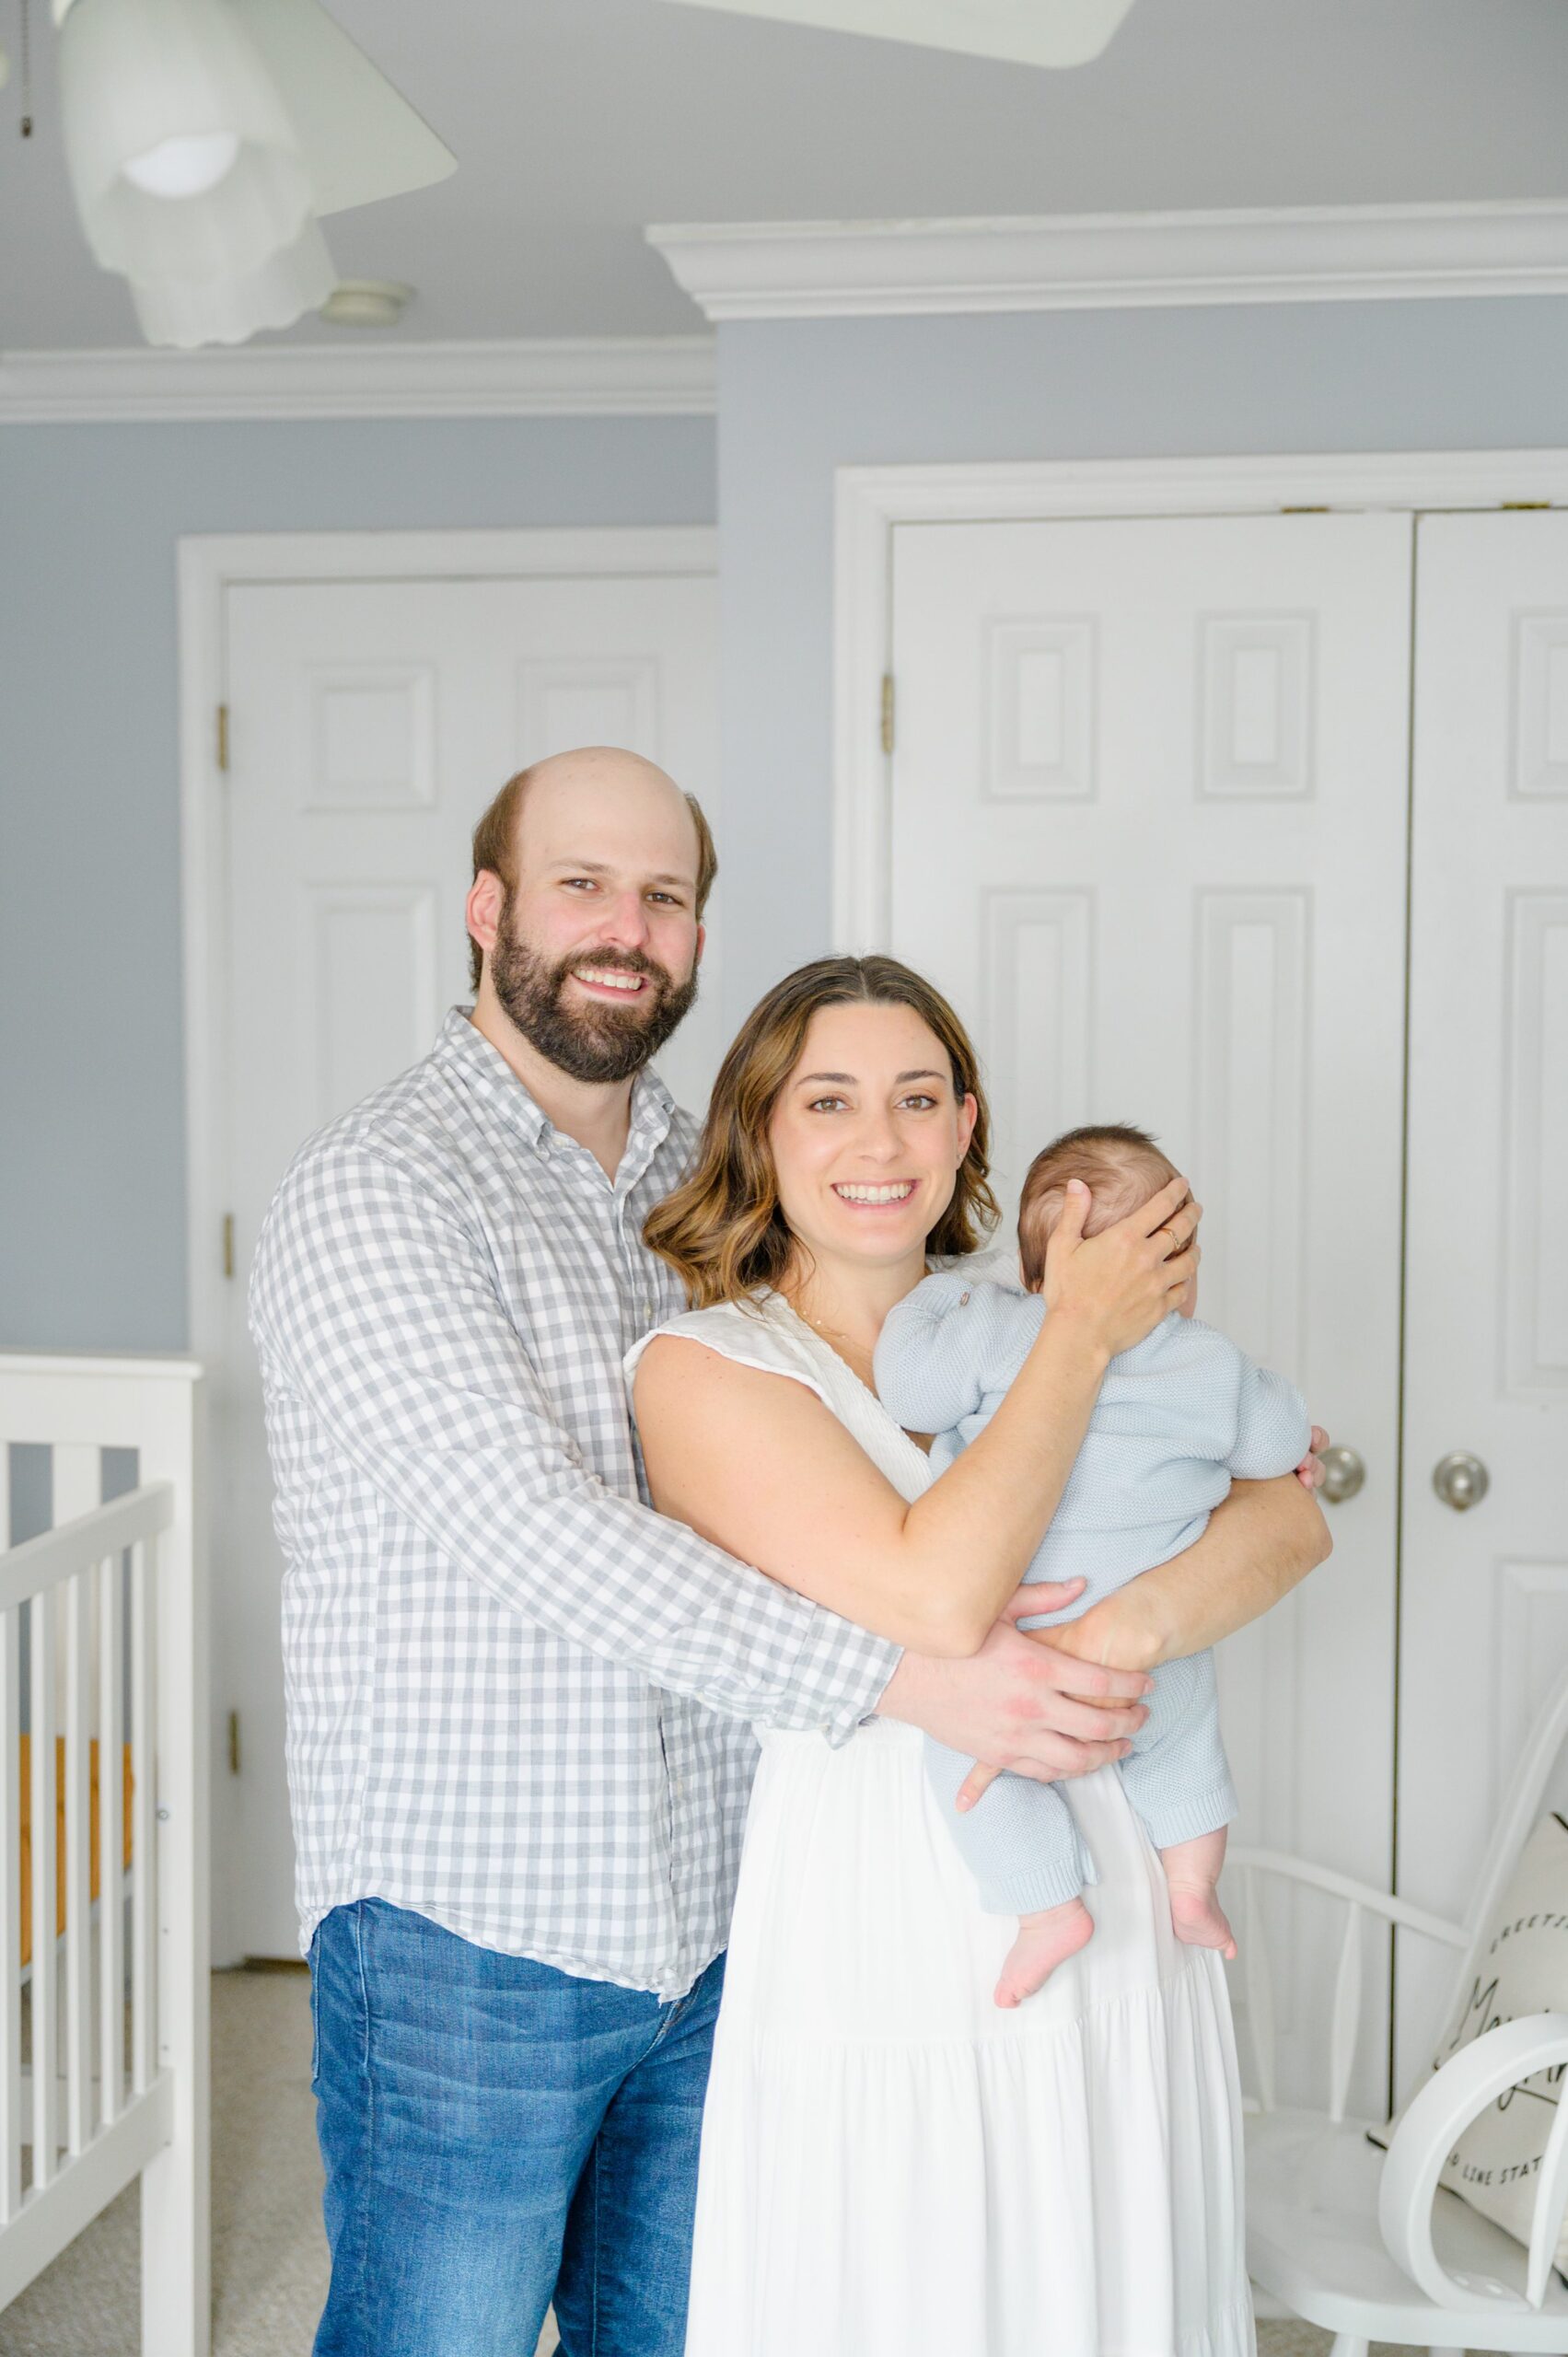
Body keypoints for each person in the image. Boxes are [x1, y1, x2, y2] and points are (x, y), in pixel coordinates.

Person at [247, 749, 1193, 2357]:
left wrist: (1186, 1428)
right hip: (476, 1932)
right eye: (580, 887)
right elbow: (544, 1538)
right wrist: (904, 1675)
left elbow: (879, 1418)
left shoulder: (711, 1171)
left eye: (665, 897)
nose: (627, 929)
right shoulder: (375, 1190)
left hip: (723, 1908)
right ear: (486, 912)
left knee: (684, 2330)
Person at [630, 956, 1332, 2357]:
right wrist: (1080, 1329)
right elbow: (941, 1598)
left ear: (966, 1127)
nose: (877, 1142)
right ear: (761, 1132)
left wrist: (1124, 1629)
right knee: (913, 2269)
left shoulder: (1004, 1319)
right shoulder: (704, 1368)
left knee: (1106, 2248)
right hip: (885, 1887)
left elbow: (1288, 1519)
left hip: (1113, 1846)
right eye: (827, 1101)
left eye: (915, 1098)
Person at [874, 1120, 1312, 2011]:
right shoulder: (1210, 1361)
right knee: (1186, 1752)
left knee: (965, 1769)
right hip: (1163, 1649)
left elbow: (911, 1391)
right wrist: (1291, 1436)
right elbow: (1274, 1447)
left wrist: (937, 1292)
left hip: (1019, 1640)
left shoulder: (998, 1328)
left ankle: (1046, 1910)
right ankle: (1190, 1888)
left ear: (1036, 1270)